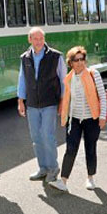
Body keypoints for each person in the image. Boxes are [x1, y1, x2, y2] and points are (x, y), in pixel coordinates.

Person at [49, 46, 107, 193]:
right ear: (71, 63)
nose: (80, 62)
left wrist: (102, 117)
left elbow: (102, 96)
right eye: (76, 60)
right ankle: (63, 181)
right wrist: (64, 115)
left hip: (92, 119)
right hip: (74, 119)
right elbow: (67, 99)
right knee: (70, 149)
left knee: (90, 148)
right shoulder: (69, 78)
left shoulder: (94, 74)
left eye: (82, 59)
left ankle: (90, 177)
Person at [17, 27, 66, 182]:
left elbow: (63, 80)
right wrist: (20, 100)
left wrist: (63, 101)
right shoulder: (25, 58)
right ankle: (43, 168)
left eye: (41, 38)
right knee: (36, 137)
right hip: (32, 104)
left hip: (49, 102)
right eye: (35, 39)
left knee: (47, 135)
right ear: (30, 40)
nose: (39, 42)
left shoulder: (56, 56)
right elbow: (22, 79)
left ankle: (53, 168)